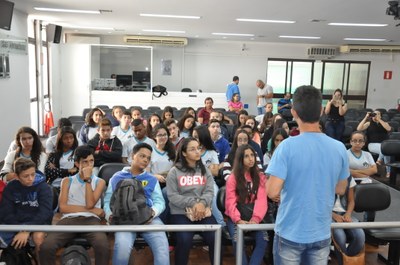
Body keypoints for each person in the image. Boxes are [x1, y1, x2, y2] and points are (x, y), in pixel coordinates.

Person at [267, 85, 349, 264]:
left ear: (294, 113)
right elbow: (341, 189)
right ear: (321, 111)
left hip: (290, 231)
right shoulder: (339, 148)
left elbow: (272, 191)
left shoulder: (286, 147)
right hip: (320, 231)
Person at [39, 146, 109, 265]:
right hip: (69, 219)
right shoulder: (67, 181)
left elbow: (90, 203)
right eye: (85, 162)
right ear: (77, 163)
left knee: (102, 245)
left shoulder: (99, 182)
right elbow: (63, 208)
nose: (89, 165)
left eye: (91, 161)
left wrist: (88, 180)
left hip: (91, 220)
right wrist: (93, 210)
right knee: (47, 246)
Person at [104, 143, 169, 265]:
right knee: (122, 247)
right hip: (124, 218)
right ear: (132, 156)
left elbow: (159, 202)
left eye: (148, 158)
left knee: (162, 246)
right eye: (142, 156)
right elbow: (107, 200)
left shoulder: (151, 179)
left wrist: (152, 213)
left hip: (149, 219)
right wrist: (109, 215)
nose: (145, 160)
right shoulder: (116, 177)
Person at [166, 137, 217, 265]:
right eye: (192, 149)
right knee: (184, 239)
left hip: (203, 210)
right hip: (180, 213)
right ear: (184, 153)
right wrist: (194, 203)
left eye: (198, 148)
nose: (197, 152)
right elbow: (172, 196)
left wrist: (201, 204)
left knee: (215, 237)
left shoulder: (205, 171)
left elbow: (210, 191)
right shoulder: (174, 172)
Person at [225, 145, 268, 265]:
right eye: (246, 156)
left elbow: (261, 200)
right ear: (240, 159)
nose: (251, 159)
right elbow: (230, 201)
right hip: (236, 219)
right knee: (237, 241)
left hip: (255, 218)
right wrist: (238, 220)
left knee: (263, 240)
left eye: (252, 155)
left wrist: (255, 219)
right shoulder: (233, 178)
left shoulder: (259, 176)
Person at [0, 158, 53, 255]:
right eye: (26, 176)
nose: (31, 178)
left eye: (33, 174)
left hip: (39, 223)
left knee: (38, 237)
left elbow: (44, 213)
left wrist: (27, 229)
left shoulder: (44, 188)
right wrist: (20, 229)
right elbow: (6, 212)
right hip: (15, 224)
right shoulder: (10, 187)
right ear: (16, 176)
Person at [332, 176, 365, 265]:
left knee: (360, 236)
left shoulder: (349, 178)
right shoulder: (323, 176)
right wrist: (333, 215)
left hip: (344, 213)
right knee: (340, 236)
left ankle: (346, 260)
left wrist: (348, 213)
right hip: (328, 214)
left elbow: (351, 201)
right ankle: (342, 262)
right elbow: (318, 203)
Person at [356, 110, 391, 178]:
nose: (375, 116)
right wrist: (366, 117)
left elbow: (388, 129)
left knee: (386, 151)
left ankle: (380, 162)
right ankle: (387, 170)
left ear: (380, 116)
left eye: (378, 114)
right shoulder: (369, 123)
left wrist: (379, 120)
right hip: (372, 144)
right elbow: (358, 129)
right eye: (374, 114)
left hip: (384, 144)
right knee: (385, 149)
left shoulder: (384, 123)